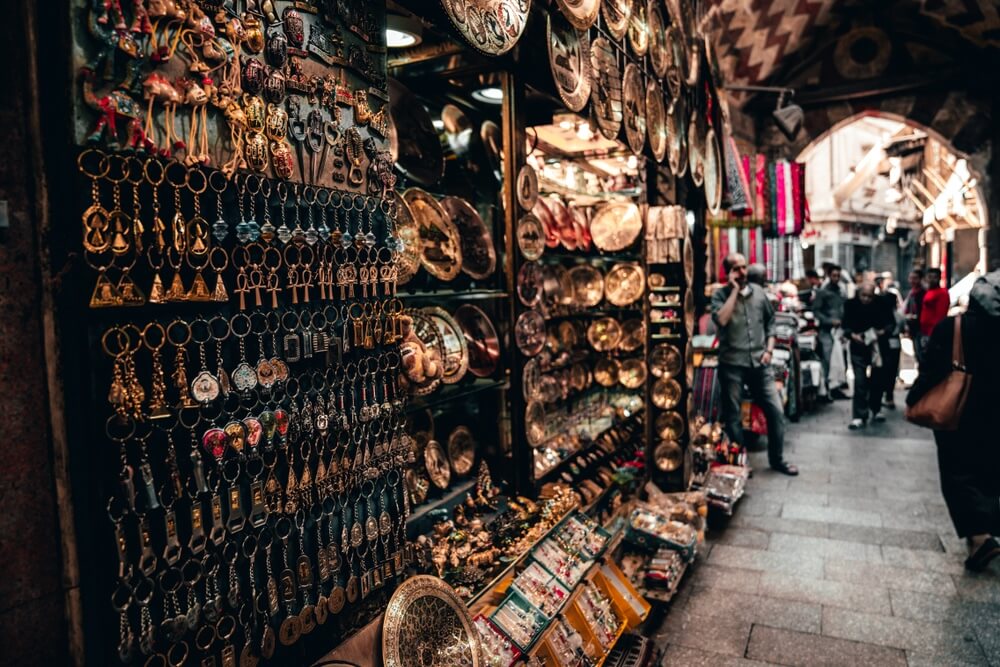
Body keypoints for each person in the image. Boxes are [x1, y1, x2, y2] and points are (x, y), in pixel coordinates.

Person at [907, 270, 1000, 570]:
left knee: (958, 474)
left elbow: (932, 370)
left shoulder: (952, 327)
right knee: (987, 469)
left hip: (957, 413)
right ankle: (987, 530)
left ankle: (979, 538)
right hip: (992, 413)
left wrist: (913, 398)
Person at [710, 253, 798, 475]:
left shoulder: (759, 293)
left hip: (760, 363)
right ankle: (740, 464)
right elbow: (721, 319)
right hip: (732, 364)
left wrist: (769, 349)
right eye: (736, 269)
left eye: (743, 267)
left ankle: (777, 460)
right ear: (728, 273)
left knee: (775, 410)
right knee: (733, 415)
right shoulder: (720, 295)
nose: (742, 272)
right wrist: (733, 291)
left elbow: (770, 322)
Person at [842, 283, 895, 429]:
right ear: (858, 294)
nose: (866, 299)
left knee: (877, 380)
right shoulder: (851, 304)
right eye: (863, 296)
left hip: (877, 348)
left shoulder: (882, 304)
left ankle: (875, 409)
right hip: (858, 347)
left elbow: (891, 324)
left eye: (869, 296)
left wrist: (880, 332)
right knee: (859, 381)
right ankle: (859, 415)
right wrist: (853, 335)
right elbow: (845, 325)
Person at [811, 265, 848, 401]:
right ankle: (825, 391)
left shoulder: (841, 291)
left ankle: (836, 387)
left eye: (838, 276)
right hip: (826, 331)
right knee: (827, 360)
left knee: (840, 360)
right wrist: (829, 321)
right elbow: (816, 311)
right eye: (834, 276)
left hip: (839, 331)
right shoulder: (823, 292)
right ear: (829, 276)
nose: (836, 279)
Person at [920, 268, 950, 345]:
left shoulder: (942, 293)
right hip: (925, 332)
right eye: (930, 277)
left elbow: (941, 316)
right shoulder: (929, 291)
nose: (932, 280)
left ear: (939, 278)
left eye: (935, 277)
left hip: (933, 333)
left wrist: (935, 333)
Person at [903, 269, 927, 363]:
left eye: (915, 278)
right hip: (913, 328)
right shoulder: (912, 292)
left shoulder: (923, 293)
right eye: (911, 278)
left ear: (921, 279)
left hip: (921, 328)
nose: (912, 281)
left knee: (921, 353)